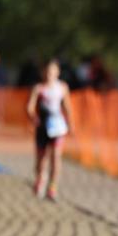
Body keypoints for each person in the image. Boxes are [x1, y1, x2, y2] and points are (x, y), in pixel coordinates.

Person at [26, 59, 73, 202]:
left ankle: (52, 187)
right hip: (42, 128)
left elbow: (67, 107)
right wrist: (33, 118)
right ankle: (40, 178)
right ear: (42, 72)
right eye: (47, 71)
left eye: (52, 71)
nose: (49, 74)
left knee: (56, 157)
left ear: (57, 72)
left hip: (57, 127)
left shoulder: (62, 87)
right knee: (41, 160)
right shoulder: (39, 88)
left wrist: (71, 123)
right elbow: (29, 107)